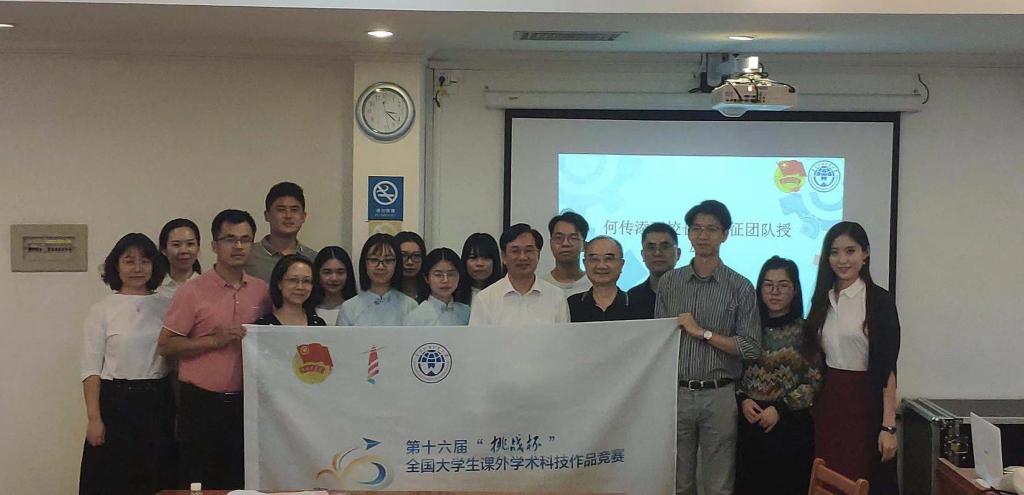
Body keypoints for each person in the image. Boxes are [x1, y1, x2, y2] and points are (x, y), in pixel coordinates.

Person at [158, 209, 271, 489]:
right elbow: (166, 345)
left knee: (242, 481)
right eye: (230, 239)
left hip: (248, 403)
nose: (238, 246)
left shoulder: (262, 291)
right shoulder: (191, 291)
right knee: (199, 481)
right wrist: (212, 341)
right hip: (201, 403)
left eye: (245, 239)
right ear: (214, 245)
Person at [654, 199, 761, 495]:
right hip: (677, 393)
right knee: (679, 482)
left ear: (725, 234)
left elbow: (751, 347)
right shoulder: (669, 283)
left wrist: (703, 333)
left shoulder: (740, 286)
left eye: (712, 229)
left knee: (719, 484)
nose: (703, 236)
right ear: (688, 234)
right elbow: (659, 340)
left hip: (720, 394)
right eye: (696, 228)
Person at [804, 221, 899, 495]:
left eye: (850, 251)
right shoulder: (823, 298)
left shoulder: (879, 301)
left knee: (860, 479)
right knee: (828, 477)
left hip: (865, 404)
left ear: (865, 253)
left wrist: (888, 427)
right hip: (829, 403)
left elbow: (888, 368)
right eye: (834, 252)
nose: (842, 260)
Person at [79, 233, 175, 495]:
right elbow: (91, 369)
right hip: (116, 404)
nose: (137, 268)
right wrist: (94, 418)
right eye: (129, 261)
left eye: (145, 261)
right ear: (116, 266)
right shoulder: (101, 310)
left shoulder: (167, 305)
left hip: (158, 400)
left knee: (158, 476)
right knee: (114, 479)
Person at [735, 256, 822, 495]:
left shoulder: (807, 331)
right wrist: (742, 399)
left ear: (795, 290)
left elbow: (813, 382)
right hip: (749, 425)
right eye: (768, 284)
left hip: (791, 428)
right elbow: (733, 372)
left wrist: (780, 409)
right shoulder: (747, 330)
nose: (774, 292)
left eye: (783, 285)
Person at [469, 223, 569, 325]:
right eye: (515, 251)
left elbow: (563, 335)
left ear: (538, 255)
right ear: (504, 256)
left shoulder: (556, 296)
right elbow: (477, 336)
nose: (522, 257)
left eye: (528, 251)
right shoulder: (485, 299)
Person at [336, 233, 418, 326]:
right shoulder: (349, 308)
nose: (380, 267)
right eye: (374, 260)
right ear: (364, 263)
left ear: (397, 263)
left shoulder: (410, 306)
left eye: (388, 260)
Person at [245, 181, 318, 282]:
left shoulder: (314, 259)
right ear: (267, 215)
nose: (288, 216)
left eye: (294, 210)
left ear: (303, 217)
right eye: (281, 210)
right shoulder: (248, 256)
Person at [567, 236, 639, 322]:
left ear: (621, 264)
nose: (601, 266)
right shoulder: (572, 304)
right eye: (594, 259)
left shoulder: (637, 304)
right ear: (585, 263)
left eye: (609, 259)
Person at [404, 248, 471, 326]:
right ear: (426, 278)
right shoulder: (416, 317)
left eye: (451, 274)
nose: (445, 280)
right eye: (438, 275)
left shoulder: (466, 313)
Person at [628, 222, 681, 319]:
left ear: (678, 253)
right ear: (642, 255)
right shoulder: (631, 297)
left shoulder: (691, 293)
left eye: (665, 247)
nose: (657, 253)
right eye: (651, 248)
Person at [254, 255, 326, 326]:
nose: (300, 287)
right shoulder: (263, 325)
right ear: (279, 283)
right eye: (293, 280)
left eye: (306, 281)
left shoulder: (318, 324)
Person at [541, 211, 592, 296]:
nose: (565, 243)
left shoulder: (594, 285)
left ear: (584, 245)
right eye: (559, 238)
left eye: (573, 238)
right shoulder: (541, 286)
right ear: (550, 243)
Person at [309, 246, 357, 325]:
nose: (334, 278)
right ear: (317, 274)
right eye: (327, 272)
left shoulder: (357, 309)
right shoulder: (305, 310)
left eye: (340, 272)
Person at [157, 218, 202, 298]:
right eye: (176, 245)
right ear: (164, 250)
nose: (184, 251)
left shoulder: (209, 287)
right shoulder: (155, 289)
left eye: (190, 244)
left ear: (198, 248)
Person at [460, 232, 504, 301]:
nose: (479, 263)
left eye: (486, 258)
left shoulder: (505, 293)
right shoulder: (454, 295)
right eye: (473, 257)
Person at [395, 231, 427, 300]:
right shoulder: (385, 292)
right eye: (403, 255)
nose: (410, 262)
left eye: (416, 256)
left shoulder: (431, 292)